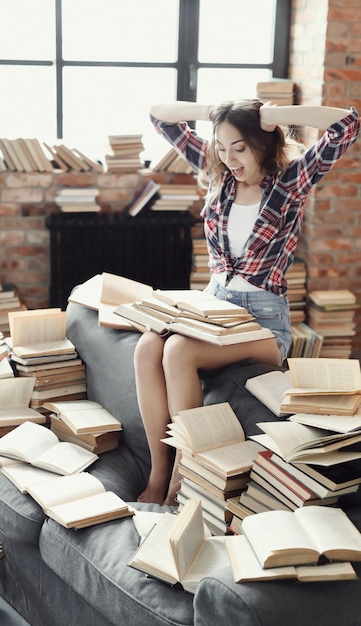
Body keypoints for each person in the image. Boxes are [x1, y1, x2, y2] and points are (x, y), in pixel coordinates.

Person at [134, 98, 360, 506]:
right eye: (221, 147)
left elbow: (346, 125)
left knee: (179, 351)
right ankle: (158, 468)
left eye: (239, 147)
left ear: (263, 142)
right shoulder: (218, 172)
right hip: (213, 306)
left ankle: (181, 479)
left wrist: (274, 115)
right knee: (148, 344)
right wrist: (218, 115)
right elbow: (158, 114)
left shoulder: (290, 181)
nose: (229, 158)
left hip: (262, 322)